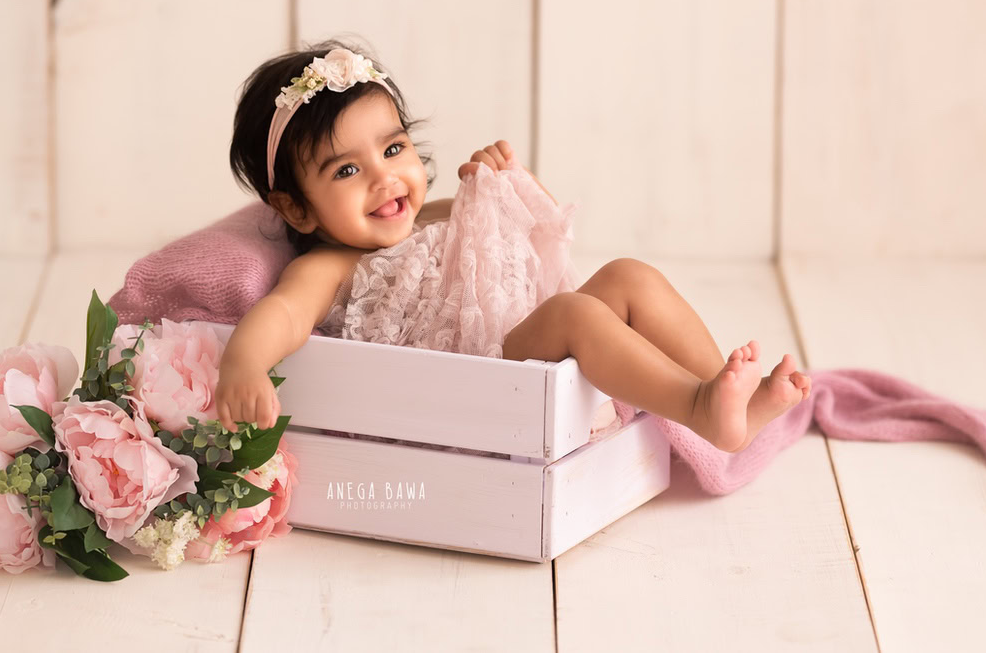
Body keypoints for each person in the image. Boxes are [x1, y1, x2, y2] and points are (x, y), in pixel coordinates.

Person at [215, 40, 811, 452]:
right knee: (575, 312)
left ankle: (727, 396)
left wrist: (507, 184)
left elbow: (538, 236)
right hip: (481, 378)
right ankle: (698, 406)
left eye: (393, 150)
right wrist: (243, 362)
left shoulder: (437, 216)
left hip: (518, 334)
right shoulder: (331, 265)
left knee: (629, 275)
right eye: (347, 172)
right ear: (295, 207)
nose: (384, 178)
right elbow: (284, 313)